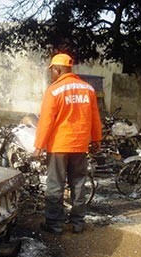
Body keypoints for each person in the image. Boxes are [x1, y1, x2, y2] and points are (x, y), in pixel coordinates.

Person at [33, 53, 102, 235]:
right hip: (80, 146)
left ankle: (54, 225)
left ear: (57, 69)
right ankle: (78, 223)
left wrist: (39, 146)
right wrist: (96, 139)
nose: (51, 75)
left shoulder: (54, 90)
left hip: (58, 147)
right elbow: (95, 117)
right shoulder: (88, 89)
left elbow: (46, 121)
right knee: (78, 184)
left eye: (52, 71)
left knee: (55, 185)